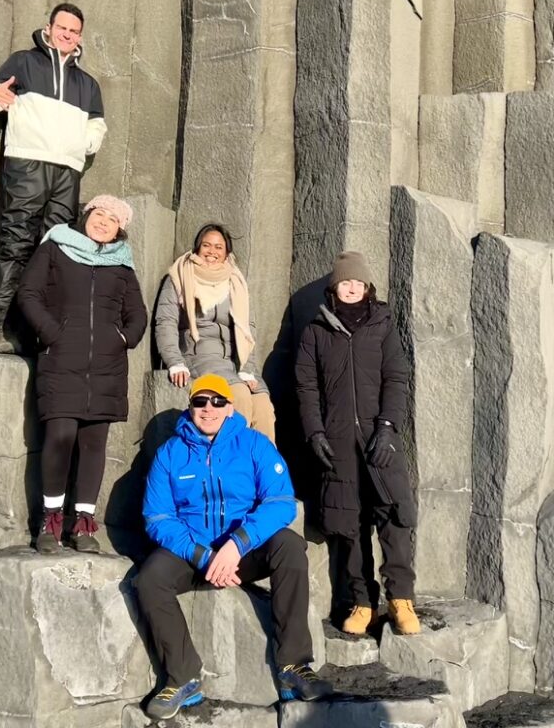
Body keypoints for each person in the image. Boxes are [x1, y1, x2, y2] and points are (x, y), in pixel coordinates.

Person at [134, 373, 332, 721]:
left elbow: (281, 501)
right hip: (194, 554)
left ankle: (293, 666)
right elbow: (158, 517)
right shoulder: (170, 453)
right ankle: (182, 677)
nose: (208, 409)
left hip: (242, 551)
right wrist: (201, 554)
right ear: (190, 405)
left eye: (217, 402)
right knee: (149, 579)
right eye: (200, 401)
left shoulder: (254, 445)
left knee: (290, 545)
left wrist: (237, 544)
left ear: (229, 408)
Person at [294, 251, 420, 637]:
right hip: (336, 442)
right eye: (345, 282)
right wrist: (314, 432)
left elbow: (397, 378)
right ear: (335, 287)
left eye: (358, 283)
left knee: (393, 516)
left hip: (378, 438)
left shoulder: (382, 325)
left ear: (368, 288)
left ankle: (401, 600)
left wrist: (387, 426)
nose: (351, 288)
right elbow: (306, 386)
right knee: (348, 525)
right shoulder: (316, 330)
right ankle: (362, 602)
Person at [16, 194, 147, 554]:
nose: (103, 222)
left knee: (93, 446)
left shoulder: (122, 265)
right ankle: (50, 522)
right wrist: (53, 332)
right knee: (59, 437)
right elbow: (28, 293)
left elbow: (137, 314)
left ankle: (84, 525)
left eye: (113, 220)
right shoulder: (57, 247)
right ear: (86, 215)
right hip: (61, 359)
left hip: (106, 368)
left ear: (120, 231)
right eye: (99, 214)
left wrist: (123, 338)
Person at [0, 3, 107, 354]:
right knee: (15, 244)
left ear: (80, 36)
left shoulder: (88, 83)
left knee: (55, 252)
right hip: (27, 165)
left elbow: (97, 123)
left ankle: (37, 332)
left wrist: (87, 141)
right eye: (62, 27)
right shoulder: (23, 62)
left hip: (67, 171)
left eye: (74, 30)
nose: (67, 34)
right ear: (49, 28)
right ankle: (1, 329)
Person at [154, 223, 276, 442]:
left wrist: (248, 368)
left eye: (219, 247)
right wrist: (174, 361)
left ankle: (264, 472)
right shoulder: (180, 275)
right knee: (238, 395)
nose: (212, 251)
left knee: (263, 406)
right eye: (206, 245)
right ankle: (232, 466)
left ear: (227, 252)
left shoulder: (236, 280)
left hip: (234, 362)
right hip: (199, 356)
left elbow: (248, 330)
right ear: (197, 248)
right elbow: (166, 321)